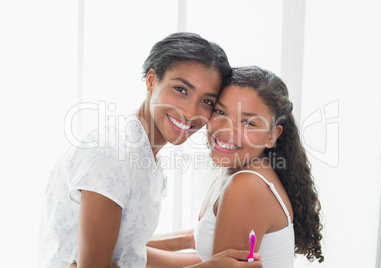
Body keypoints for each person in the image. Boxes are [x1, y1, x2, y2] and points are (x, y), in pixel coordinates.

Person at [38, 32, 262, 268]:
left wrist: (194, 244)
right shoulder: (114, 153)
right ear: (152, 80)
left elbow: (127, 253)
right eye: (181, 89)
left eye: (206, 101)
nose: (189, 112)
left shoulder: (142, 154)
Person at [146, 66, 324, 267]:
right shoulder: (237, 168)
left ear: (272, 135)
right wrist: (132, 252)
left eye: (248, 122)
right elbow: (211, 260)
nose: (226, 130)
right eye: (220, 112)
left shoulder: (246, 186)